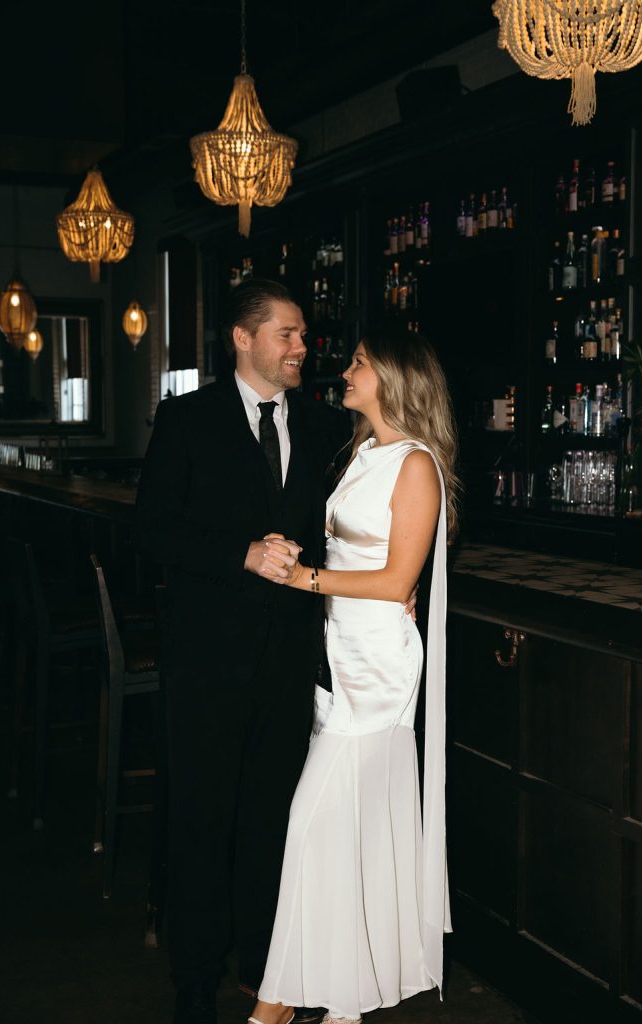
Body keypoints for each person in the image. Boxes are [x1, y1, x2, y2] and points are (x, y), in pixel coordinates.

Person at [134, 278, 351, 1024]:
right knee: (200, 821)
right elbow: (153, 532)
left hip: (291, 661)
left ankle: (270, 971)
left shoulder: (325, 427)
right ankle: (194, 977)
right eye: (286, 335)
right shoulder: (186, 419)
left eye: (301, 336)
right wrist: (239, 554)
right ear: (242, 337)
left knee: (272, 823)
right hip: (205, 662)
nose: (301, 348)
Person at [248, 327, 458, 1024]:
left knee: (312, 825)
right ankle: (342, 1001)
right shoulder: (365, 452)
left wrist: (304, 577)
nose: (344, 371)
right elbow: (352, 549)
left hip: (376, 670)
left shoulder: (416, 464)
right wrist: (297, 553)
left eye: (358, 363)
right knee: (342, 832)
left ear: (393, 378)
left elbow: (399, 576)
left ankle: (274, 1005)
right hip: (338, 658)